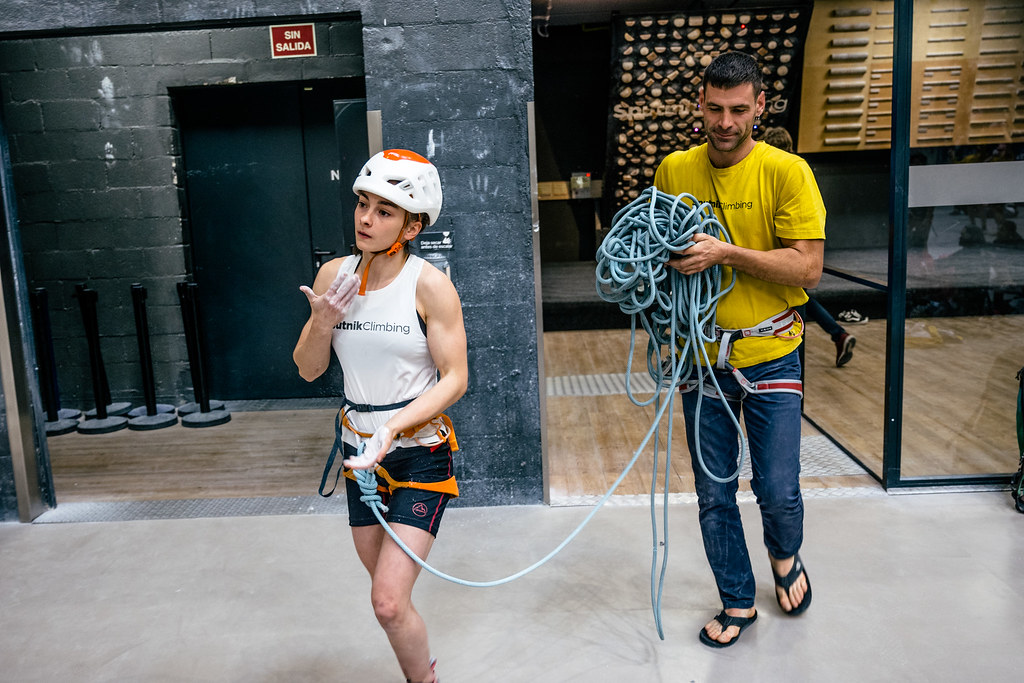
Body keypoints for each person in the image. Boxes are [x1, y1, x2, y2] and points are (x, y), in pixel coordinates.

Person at [654, 52, 825, 647]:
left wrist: (726, 253)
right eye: (714, 108)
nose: (725, 122)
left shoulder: (787, 172)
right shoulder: (674, 169)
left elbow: (808, 266)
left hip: (772, 352)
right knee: (713, 491)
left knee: (777, 488)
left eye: (737, 110)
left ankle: (784, 554)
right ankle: (736, 599)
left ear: (759, 107)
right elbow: (656, 251)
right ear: (699, 105)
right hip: (701, 360)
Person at [293, 149, 468, 683]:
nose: (366, 219)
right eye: (363, 205)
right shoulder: (333, 274)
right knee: (386, 599)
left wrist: (392, 427)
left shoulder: (429, 285)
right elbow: (306, 370)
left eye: (385, 211)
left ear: (413, 226)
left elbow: (456, 377)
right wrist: (322, 322)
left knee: (388, 602)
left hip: (418, 455)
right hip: (360, 457)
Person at [761, 127, 856, 367]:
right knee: (802, 299)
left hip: (786, 251)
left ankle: (799, 362)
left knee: (797, 305)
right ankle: (838, 334)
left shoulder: (780, 172)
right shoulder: (802, 169)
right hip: (810, 244)